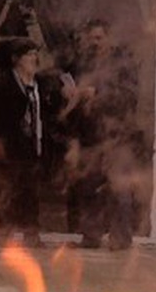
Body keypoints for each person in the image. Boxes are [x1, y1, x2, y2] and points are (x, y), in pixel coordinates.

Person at [59, 19, 142, 249]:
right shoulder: (83, 63)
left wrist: (97, 93)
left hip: (117, 136)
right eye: (91, 39)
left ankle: (121, 238)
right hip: (90, 135)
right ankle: (91, 235)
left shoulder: (123, 64)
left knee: (119, 188)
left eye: (99, 38)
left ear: (108, 37)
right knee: (88, 186)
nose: (94, 43)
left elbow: (129, 96)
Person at [0, 38, 50, 244]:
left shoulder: (38, 82)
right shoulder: (1, 81)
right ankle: (4, 231)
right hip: (9, 141)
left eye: (35, 54)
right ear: (15, 59)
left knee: (30, 188)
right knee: (6, 186)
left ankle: (31, 232)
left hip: (33, 142)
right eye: (29, 54)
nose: (34, 58)